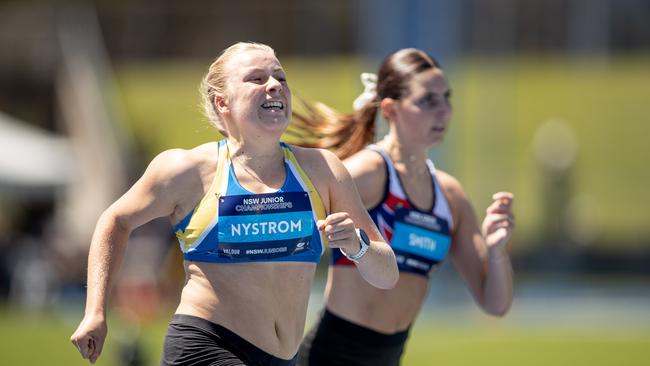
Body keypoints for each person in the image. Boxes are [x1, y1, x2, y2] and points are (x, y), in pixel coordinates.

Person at [69, 42, 399, 366]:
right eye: (256, 79)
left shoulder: (322, 169)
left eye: (280, 78)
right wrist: (95, 311)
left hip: (284, 357)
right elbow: (115, 221)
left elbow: (386, 274)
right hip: (206, 345)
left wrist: (357, 246)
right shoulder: (187, 171)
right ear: (222, 103)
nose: (274, 86)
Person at [292, 48, 515, 366]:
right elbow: (291, 224)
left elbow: (495, 303)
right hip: (331, 355)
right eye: (427, 100)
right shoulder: (368, 173)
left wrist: (496, 251)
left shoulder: (450, 195)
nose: (443, 111)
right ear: (390, 109)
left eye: (446, 98)